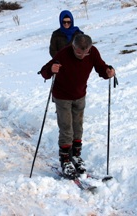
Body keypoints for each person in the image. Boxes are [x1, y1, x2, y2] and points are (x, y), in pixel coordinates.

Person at [40, 34, 115, 179]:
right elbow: (44, 71)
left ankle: (75, 156)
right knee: (66, 127)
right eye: (79, 52)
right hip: (62, 96)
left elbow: (101, 67)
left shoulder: (92, 52)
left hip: (79, 95)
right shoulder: (64, 54)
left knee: (78, 127)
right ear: (73, 47)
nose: (82, 55)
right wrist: (51, 70)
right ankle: (65, 160)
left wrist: (108, 72)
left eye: (85, 52)